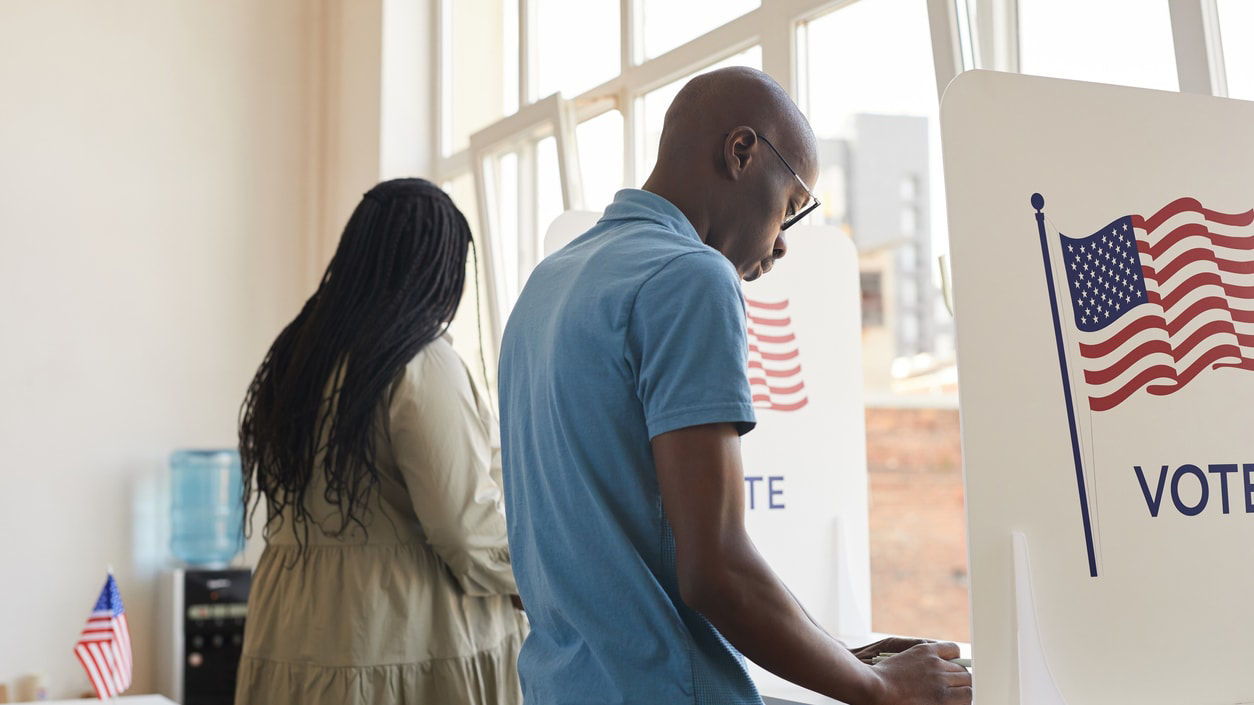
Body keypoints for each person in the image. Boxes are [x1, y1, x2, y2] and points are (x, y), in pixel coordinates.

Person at [498, 67, 972, 704]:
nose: (779, 245)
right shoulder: (690, 276)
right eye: (790, 209)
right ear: (741, 151)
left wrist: (834, 653)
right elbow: (714, 570)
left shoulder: (546, 285)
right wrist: (878, 686)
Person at [235, 178, 527, 705]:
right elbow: (465, 531)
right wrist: (541, 583)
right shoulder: (420, 362)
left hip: (294, 628)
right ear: (434, 269)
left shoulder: (297, 357)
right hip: (403, 634)